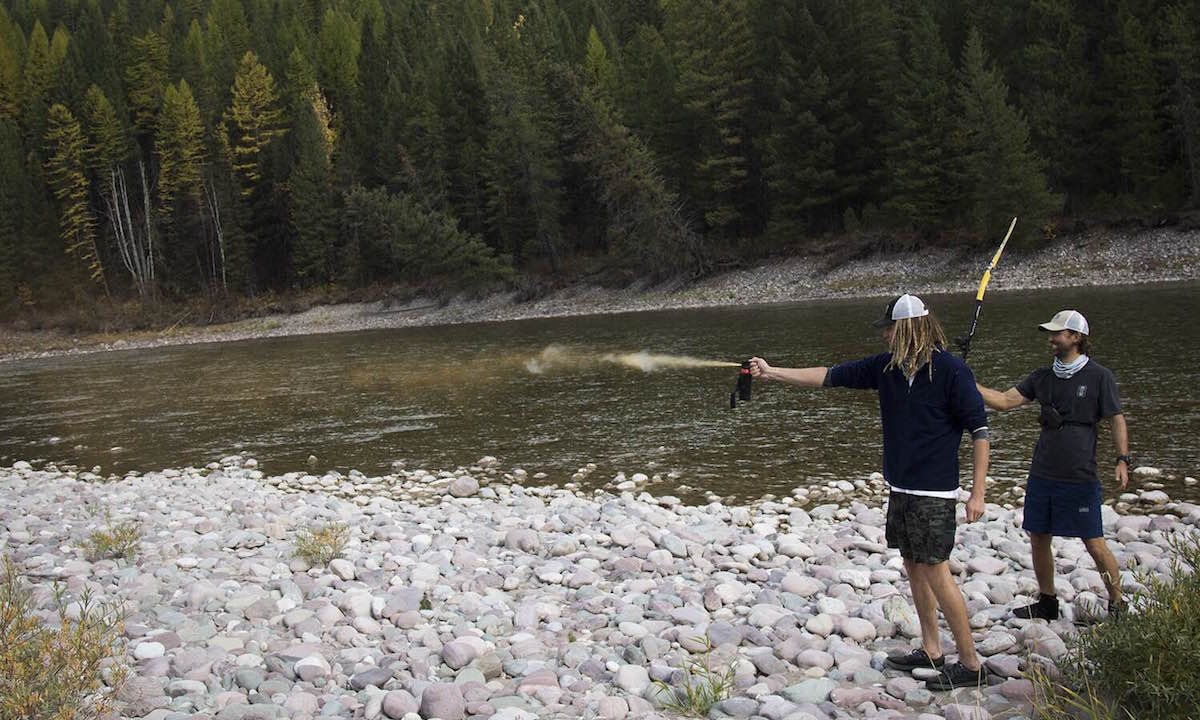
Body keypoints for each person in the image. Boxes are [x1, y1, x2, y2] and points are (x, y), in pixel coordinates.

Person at [750, 293, 990, 691]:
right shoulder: (886, 369)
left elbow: (980, 432)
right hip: (899, 486)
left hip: (935, 492)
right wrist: (772, 372)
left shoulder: (952, 371)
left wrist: (977, 493)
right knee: (913, 564)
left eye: (889, 329)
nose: (885, 336)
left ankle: (970, 664)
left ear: (907, 328)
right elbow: (828, 375)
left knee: (935, 569)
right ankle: (932, 649)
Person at [975, 309, 1129, 620]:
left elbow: (1116, 419)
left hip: (1080, 475)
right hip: (1043, 473)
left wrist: (1123, 459)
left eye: (1057, 333)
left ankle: (1118, 602)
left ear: (1076, 337)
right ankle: (1047, 602)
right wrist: (968, 383)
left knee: (1095, 543)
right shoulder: (1041, 377)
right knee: (1038, 536)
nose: (1051, 338)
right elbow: (1004, 401)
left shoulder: (1100, 377)